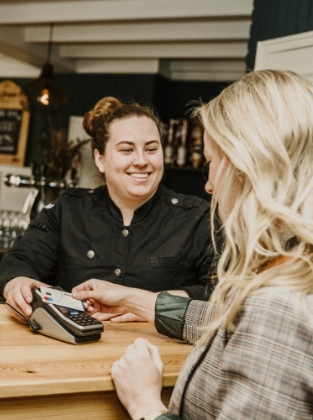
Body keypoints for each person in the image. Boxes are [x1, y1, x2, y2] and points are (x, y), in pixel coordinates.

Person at [72, 70, 313, 419]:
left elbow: (263, 322)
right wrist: (134, 300)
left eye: (211, 162)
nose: (209, 185)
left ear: (250, 166)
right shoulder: (307, 268)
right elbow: (228, 321)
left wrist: (146, 405)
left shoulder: (281, 307)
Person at [0, 97, 215, 323]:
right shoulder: (68, 209)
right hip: (74, 351)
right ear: (100, 159)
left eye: (151, 149)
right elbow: (19, 260)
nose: (141, 160)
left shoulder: (197, 216)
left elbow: (223, 294)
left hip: (159, 356)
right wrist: (17, 283)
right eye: (126, 150)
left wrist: (146, 303)